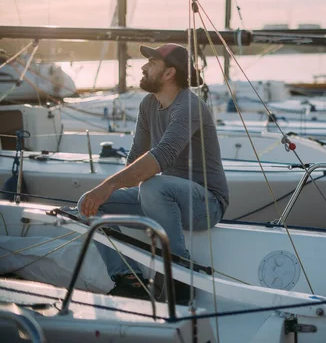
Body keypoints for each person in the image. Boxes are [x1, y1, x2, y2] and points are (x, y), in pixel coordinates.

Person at [78, 43, 229, 303]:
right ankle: (129, 279)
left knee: (151, 186)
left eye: (151, 62)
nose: (143, 66)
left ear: (169, 73)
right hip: (163, 201)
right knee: (89, 205)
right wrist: (110, 192)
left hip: (206, 204)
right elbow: (136, 157)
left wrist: (109, 185)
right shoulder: (148, 104)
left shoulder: (189, 106)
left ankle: (180, 272)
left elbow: (162, 156)